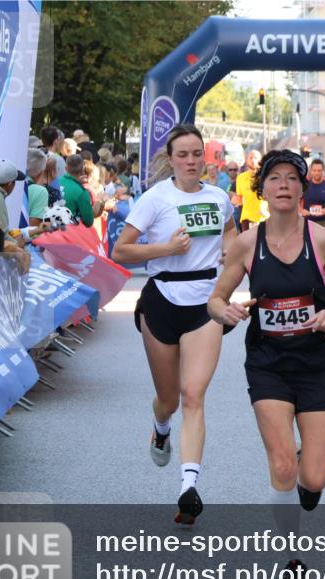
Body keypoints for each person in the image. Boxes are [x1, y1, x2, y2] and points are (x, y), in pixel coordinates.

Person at [207, 150, 325, 579]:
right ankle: (290, 557)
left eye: (290, 179)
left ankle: (303, 477)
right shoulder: (245, 243)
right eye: (273, 179)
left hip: (318, 363)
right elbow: (215, 299)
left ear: (301, 188)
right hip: (268, 363)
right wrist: (228, 312)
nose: (282, 185)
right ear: (262, 190)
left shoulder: (322, 241)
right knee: (281, 465)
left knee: (313, 478)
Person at [111, 124, 237, 525]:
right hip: (162, 299)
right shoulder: (155, 199)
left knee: (193, 395)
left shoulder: (219, 199)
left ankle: (188, 487)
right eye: (183, 155)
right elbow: (121, 250)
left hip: (206, 303)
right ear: (171, 159)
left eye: (197, 154)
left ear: (205, 157)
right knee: (168, 399)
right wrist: (167, 248)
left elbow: (232, 238)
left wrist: (231, 257)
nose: (191, 161)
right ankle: (160, 426)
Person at [62, 154, 101, 227]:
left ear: (66, 168)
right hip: (68, 233)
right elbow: (89, 222)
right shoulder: (82, 192)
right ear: (82, 170)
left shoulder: (54, 183)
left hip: (49, 232)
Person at [300, 159, 325, 227]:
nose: (317, 173)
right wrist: (301, 210)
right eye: (314, 170)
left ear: (323, 171)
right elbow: (295, 201)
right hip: (307, 222)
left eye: (319, 171)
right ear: (311, 171)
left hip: (324, 222)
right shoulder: (304, 186)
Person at [235, 149, 265, 230]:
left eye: (255, 157)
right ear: (246, 160)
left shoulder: (266, 176)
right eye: (250, 157)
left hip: (264, 218)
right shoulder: (240, 177)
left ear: (260, 160)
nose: (253, 160)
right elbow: (239, 201)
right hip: (247, 220)